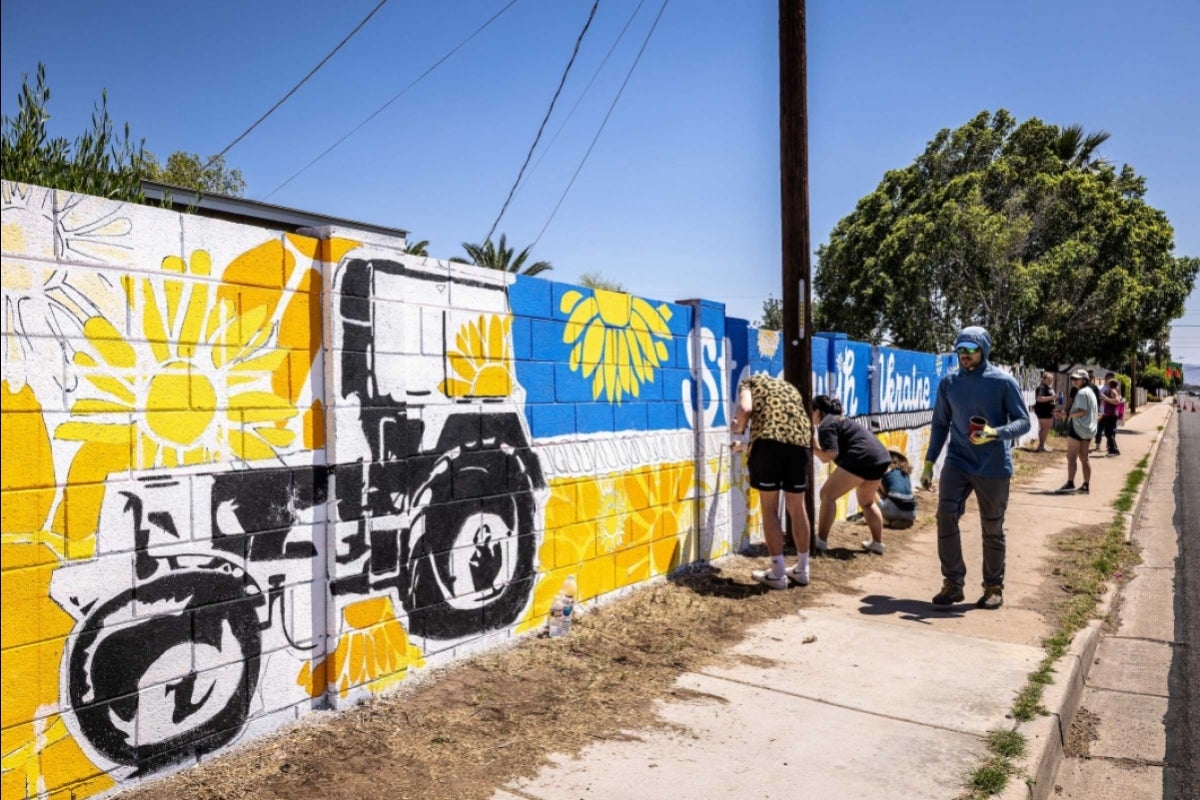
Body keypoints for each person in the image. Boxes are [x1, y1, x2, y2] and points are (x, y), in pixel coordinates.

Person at [920, 326, 1031, 610]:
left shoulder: (1003, 382)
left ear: (984, 349)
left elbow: (1023, 422)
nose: (965, 355)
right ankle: (953, 583)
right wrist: (930, 463)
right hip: (957, 461)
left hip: (993, 465)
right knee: (945, 515)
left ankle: (993, 587)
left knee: (992, 527)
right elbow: (940, 425)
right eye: (960, 350)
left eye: (971, 349)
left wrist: (995, 433)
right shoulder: (949, 383)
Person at [730, 373, 813, 589]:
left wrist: (738, 427)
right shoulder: (789, 388)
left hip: (769, 448)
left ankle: (777, 572)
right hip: (800, 445)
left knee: (769, 509)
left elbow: (746, 410)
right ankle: (802, 569)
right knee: (797, 507)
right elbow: (781, 429)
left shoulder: (749, 383)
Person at [810, 395, 893, 554]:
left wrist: (812, 448)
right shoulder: (840, 419)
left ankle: (820, 541)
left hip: (861, 458)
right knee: (867, 503)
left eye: (811, 411)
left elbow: (830, 455)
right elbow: (827, 457)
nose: (810, 416)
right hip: (880, 458)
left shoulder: (826, 424)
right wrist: (816, 447)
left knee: (827, 495)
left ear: (818, 412)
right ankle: (877, 543)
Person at [1055, 369, 1098, 492]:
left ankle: (1070, 483)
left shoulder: (1082, 393)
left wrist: (1066, 415)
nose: (1074, 380)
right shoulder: (1090, 391)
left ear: (1084, 380)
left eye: (1077, 378)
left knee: (1071, 456)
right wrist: (1066, 413)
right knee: (1084, 457)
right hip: (1088, 429)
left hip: (1078, 427)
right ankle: (1086, 485)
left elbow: (1082, 412)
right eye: (1073, 378)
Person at [877, 450, 918, 529]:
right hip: (912, 512)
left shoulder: (885, 469)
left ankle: (885, 519)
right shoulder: (905, 473)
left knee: (873, 487)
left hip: (893, 510)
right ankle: (904, 519)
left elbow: (881, 488)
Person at [1097, 377, 1123, 456]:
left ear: (1110, 384)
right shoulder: (1109, 391)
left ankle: (1114, 450)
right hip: (1108, 414)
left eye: (1108, 383)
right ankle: (1112, 449)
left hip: (1111, 415)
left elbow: (1117, 401)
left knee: (1109, 433)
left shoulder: (1113, 391)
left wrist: (1106, 398)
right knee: (1109, 433)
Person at [1031, 371, 1056, 452]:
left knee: (1045, 428)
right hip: (1043, 410)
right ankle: (1041, 446)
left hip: (1048, 410)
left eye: (1051, 379)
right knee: (1044, 428)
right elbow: (1039, 398)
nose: (1050, 381)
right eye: (1049, 379)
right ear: (1044, 379)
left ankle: (1042, 444)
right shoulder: (1041, 387)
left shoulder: (1048, 388)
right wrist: (1052, 397)